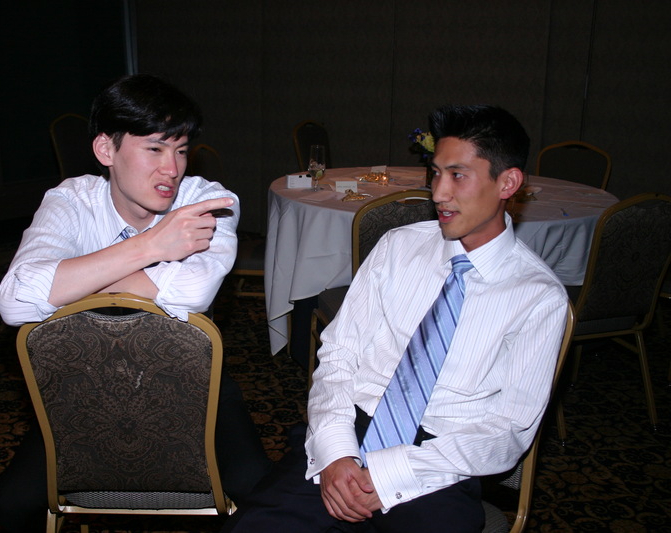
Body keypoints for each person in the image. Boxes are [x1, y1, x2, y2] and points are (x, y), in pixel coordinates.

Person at [222, 105, 568, 533]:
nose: (438, 193)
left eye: (457, 175)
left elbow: (508, 431)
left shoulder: (538, 296)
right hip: (352, 428)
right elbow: (338, 354)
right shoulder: (398, 247)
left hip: (439, 462)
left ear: (508, 183)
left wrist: (388, 475)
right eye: (435, 174)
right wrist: (336, 453)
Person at [0, 74, 271, 532]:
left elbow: (193, 291)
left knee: (260, 496)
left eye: (180, 150)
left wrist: (74, 283)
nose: (172, 169)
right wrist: (151, 247)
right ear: (106, 150)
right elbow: (15, 299)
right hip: (81, 389)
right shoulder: (71, 201)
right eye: (155, 149)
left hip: (194, 384)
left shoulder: (207, 201)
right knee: (13, 504)